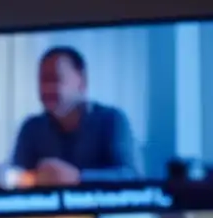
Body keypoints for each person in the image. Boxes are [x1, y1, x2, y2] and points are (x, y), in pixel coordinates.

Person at [11, 47, 139, 186]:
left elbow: (131, 176)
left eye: (56, 79)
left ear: (82, 82)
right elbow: (16, 176)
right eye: (43, 80)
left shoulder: (112, 119)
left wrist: (78, 178)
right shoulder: (31, 127)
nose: (47, 88)